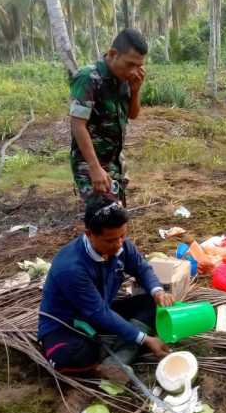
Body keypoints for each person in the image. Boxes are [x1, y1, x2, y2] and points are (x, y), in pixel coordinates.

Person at [38, 195, 173, 379]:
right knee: (72, 357)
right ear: (89, 234)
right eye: (110, 240)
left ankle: (118, 355)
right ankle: (105, 362)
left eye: (122, 236)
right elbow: (98, 312)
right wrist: (145, 338)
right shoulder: (71, 268)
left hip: (101, 313)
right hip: (67, 326)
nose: (118, 245)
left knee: (150, 302)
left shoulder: (120, 245)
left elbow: (142, 268)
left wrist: (157, 291)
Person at [69, 28, 147, 206]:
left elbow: (132, 115)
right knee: (103, 221)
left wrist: (135, 91)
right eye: (130, 64)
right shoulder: (88, 77)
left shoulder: (124, 78)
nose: (134, 71)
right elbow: (78, 124)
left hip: (115, 161)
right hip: (91, 163)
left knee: (117, 216)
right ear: (113, 54)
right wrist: (94, 168)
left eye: (139, 66)